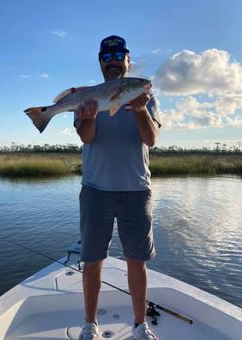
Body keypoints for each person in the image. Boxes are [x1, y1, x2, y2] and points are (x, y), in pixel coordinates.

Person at [74, 35, 161, 340]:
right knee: (92, 260)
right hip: (96, 189)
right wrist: (87, 115)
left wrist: (139, 109)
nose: (112, 63)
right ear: (101, 62)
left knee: (137, 261)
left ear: (127, 61)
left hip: (136, 190)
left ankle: (140, 325)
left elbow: (151, 139)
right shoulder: (87, 96)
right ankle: (89, 325)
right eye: (106, 59)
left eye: (118, 58)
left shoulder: (147, 98)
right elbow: (86, 138)